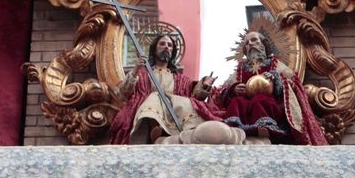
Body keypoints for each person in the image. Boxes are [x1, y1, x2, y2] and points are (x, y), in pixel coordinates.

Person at [108, 32, 245, 145]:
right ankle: (154, 130)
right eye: (162, 44)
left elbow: (195, 96)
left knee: (186, 103)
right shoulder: (143, 75)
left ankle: (179, 132)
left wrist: (204, 85)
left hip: (175, 111)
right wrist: (136, 69)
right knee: (154, 97)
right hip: (150, 108)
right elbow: (122, 94)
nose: (166, 47)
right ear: (154, 48)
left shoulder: (180, 79)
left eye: (169, 45)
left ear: (173, 52)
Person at [210, 29, 328, 145]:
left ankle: (265, 127)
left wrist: (275, 78)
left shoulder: (275, 64)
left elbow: (292, 83)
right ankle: (234, 128)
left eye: (254, 40)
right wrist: (233, 89)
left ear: (264, 44)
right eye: (246, 43)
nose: (250, 44)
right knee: (237, 101)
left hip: (268, 102)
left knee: (260, 100)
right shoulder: (241, 69)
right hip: (246, 103)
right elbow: (223, 90)